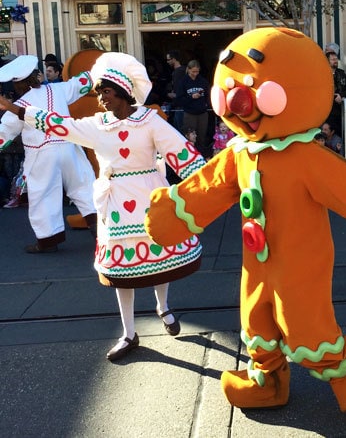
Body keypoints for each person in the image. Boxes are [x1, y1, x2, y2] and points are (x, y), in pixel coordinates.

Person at [0, 52, 206, 358]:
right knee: (123, 270)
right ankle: (129, 333)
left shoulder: (149, 122)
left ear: (123, 93)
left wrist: (208, 190)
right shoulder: (98, 125)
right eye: (98, 93)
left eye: (106, 93)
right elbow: (58, 124)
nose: (101, 100)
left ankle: (163, 308)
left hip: (150, 197)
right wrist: (17, 110)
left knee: (157, 260)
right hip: (116, 203)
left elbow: (184, 154)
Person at [0, 55, 96, 253]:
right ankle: (100, 230)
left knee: (44, 196)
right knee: (84, 187)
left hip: (41, 155)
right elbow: (83, 83)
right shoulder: (58, 89)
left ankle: (48, 240)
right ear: (36, 75)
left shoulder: (19, 106)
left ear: (17, 84)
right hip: (68, 146)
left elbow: (4, 135)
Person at [175, 59, 211, 157]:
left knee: (202, 137)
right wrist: (191, 97)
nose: (195, 74)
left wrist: (207, 104)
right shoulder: (183, 82)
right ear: (188, 69)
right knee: (190, 136)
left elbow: (208, 95)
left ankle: (202, 156)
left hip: (202, 113)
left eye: (197, 71)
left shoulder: (203, 81)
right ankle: (191, 156)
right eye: (193, 71)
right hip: (189, 113)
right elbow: (179, 99)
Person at [325, 50, 346, 135]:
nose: (335, 61)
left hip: (340, 109)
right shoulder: (323, 74)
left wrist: (341, 95)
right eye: (332, 59)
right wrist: (335, 96)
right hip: (328, 110)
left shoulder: (341, 73)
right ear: (327, 61)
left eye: (336, 59)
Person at [165, 50, 185, 129]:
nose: (167, 62)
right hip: (182, 104)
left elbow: (178, 90)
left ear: (174, 59)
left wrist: (172, 94)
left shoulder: (178, 72)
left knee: (179, 130)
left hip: (180, 105)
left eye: (168, 59)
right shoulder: (184, 70)